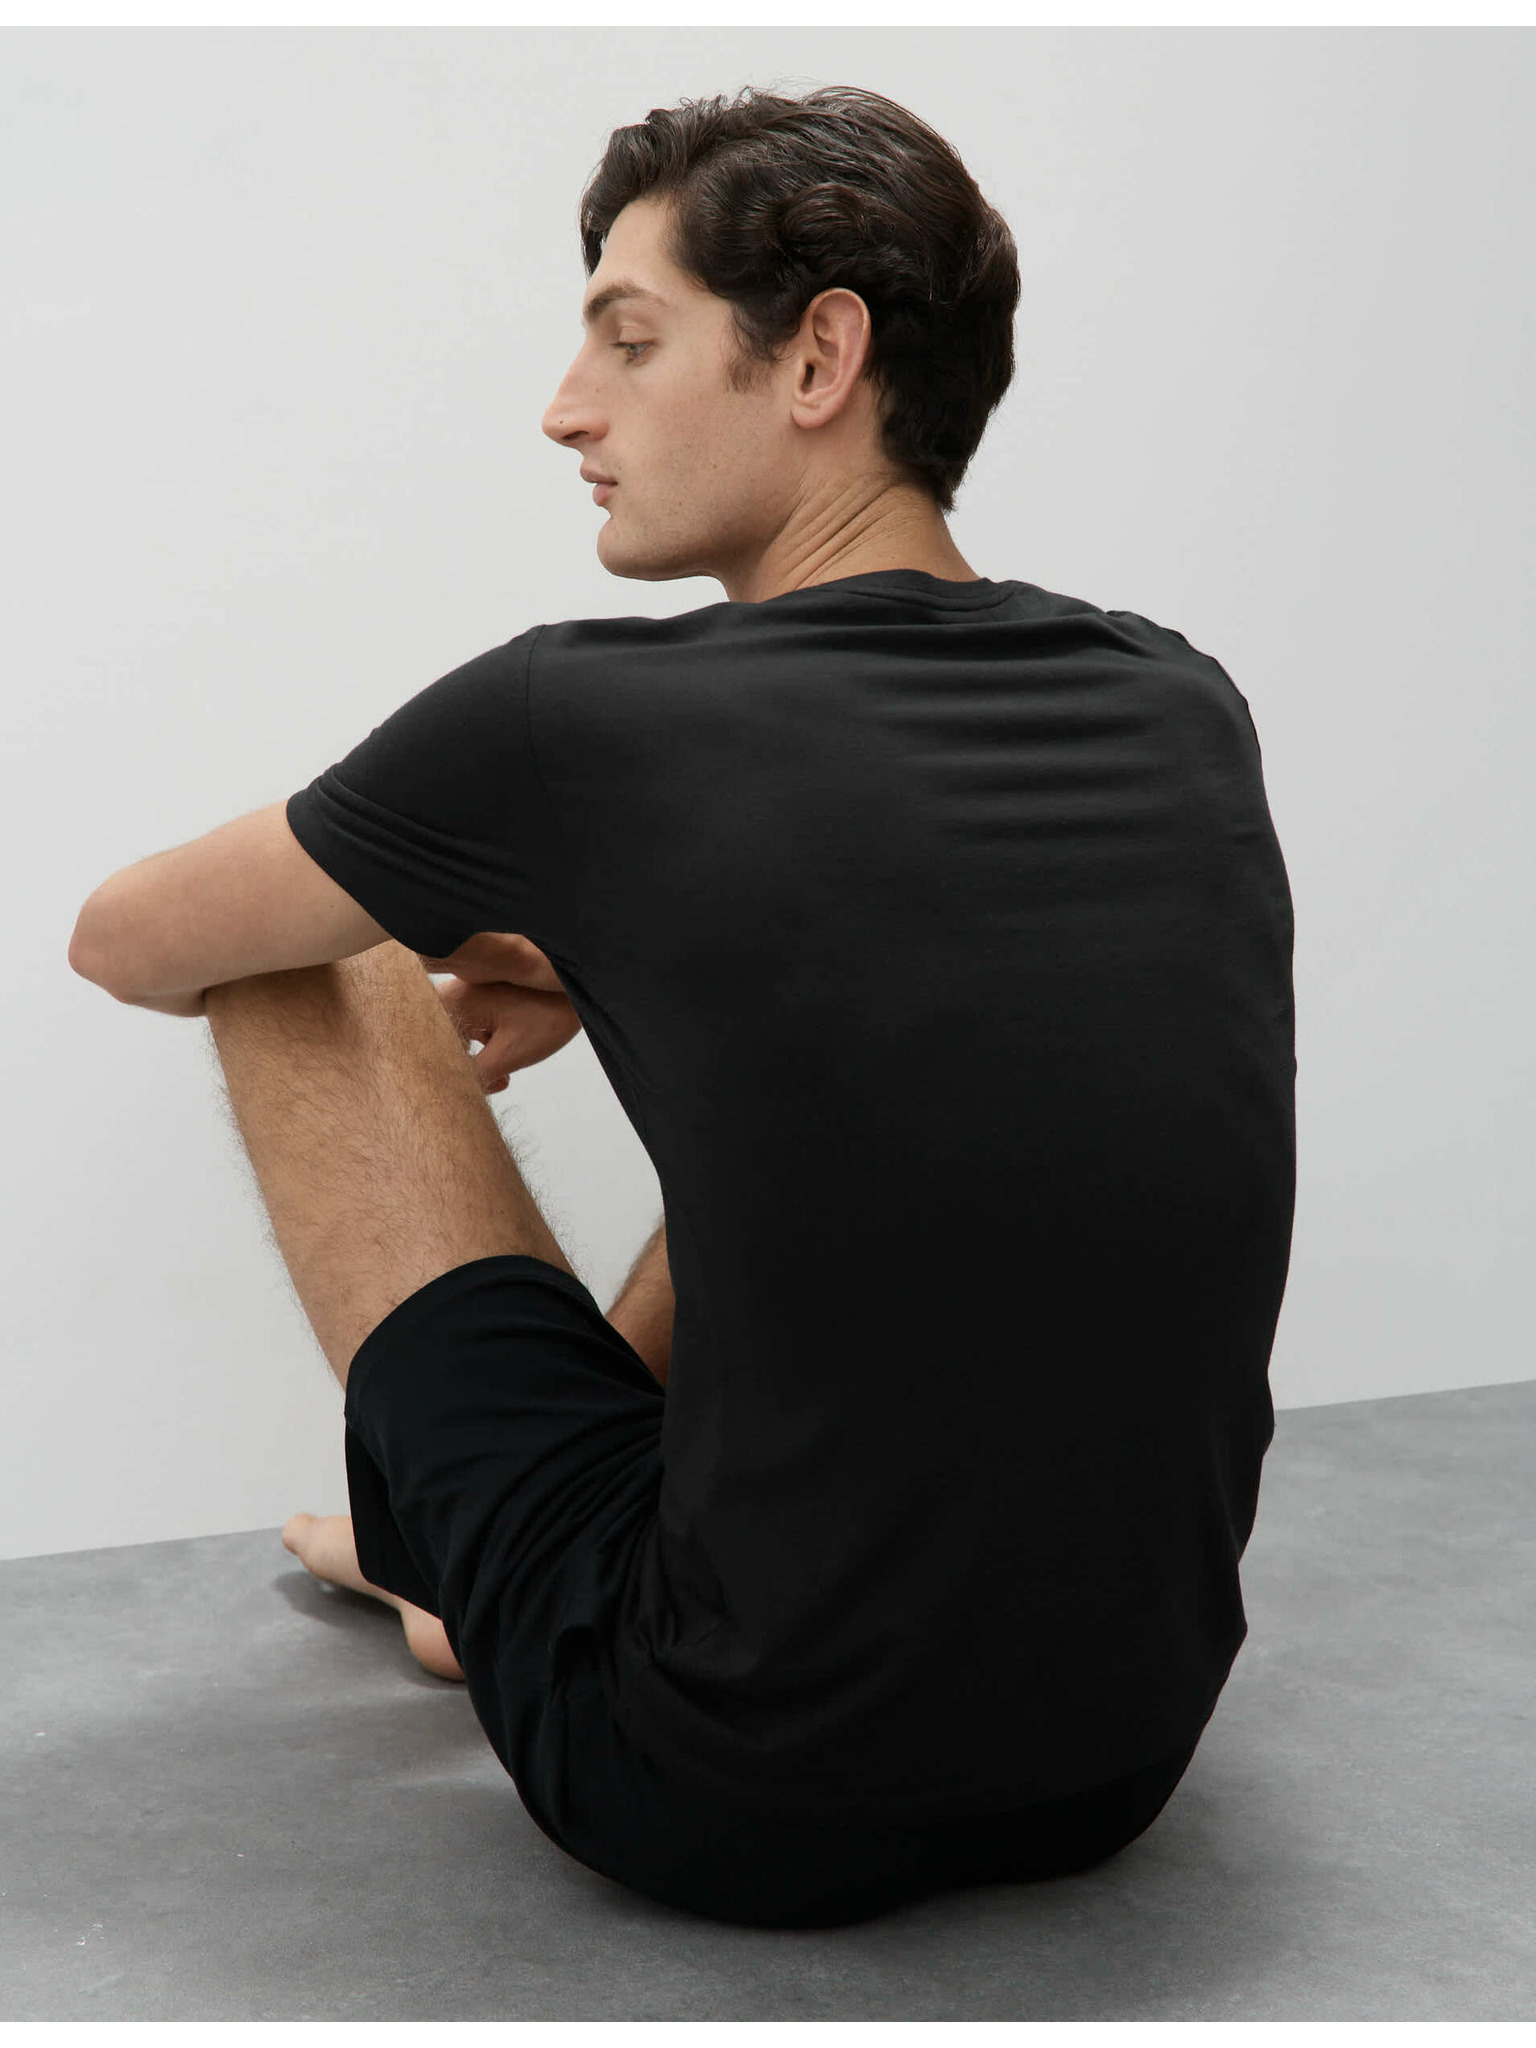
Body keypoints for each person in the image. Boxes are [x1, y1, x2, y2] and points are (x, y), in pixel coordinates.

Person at [68, 85, 1296, 1929]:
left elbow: (128, 940)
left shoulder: (578, 723)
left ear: (819, 359)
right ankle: (491, 1561)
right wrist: (608, 951)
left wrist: (497, 921)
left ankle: (468, 1575)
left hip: (721, 1783)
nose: (567, 409)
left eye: (629, 342)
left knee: (309, 946)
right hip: (1118, 1760)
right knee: (877, 1050)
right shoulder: (1181, 702)